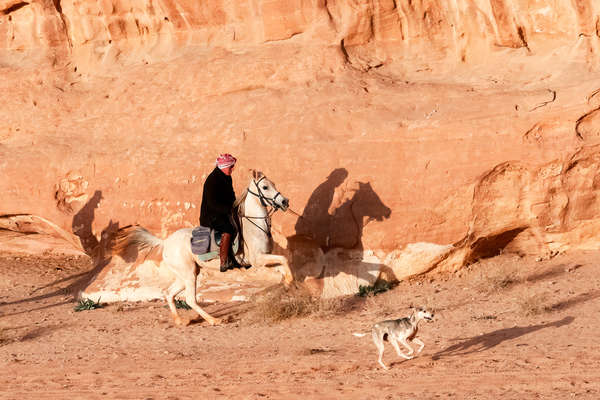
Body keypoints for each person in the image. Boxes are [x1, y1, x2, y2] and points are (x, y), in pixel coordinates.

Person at [200, 153, 243, 272]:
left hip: (222, 212)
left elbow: (231, 194)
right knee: (228, 228)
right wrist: (228, 210)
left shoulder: (227, 177)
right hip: (210, 216)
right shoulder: (212, 180)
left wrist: (236, 205)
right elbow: (212, 203)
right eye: (231, 167)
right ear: (224, 166)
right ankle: (224, 262)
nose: (232, 169)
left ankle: (235, 256)